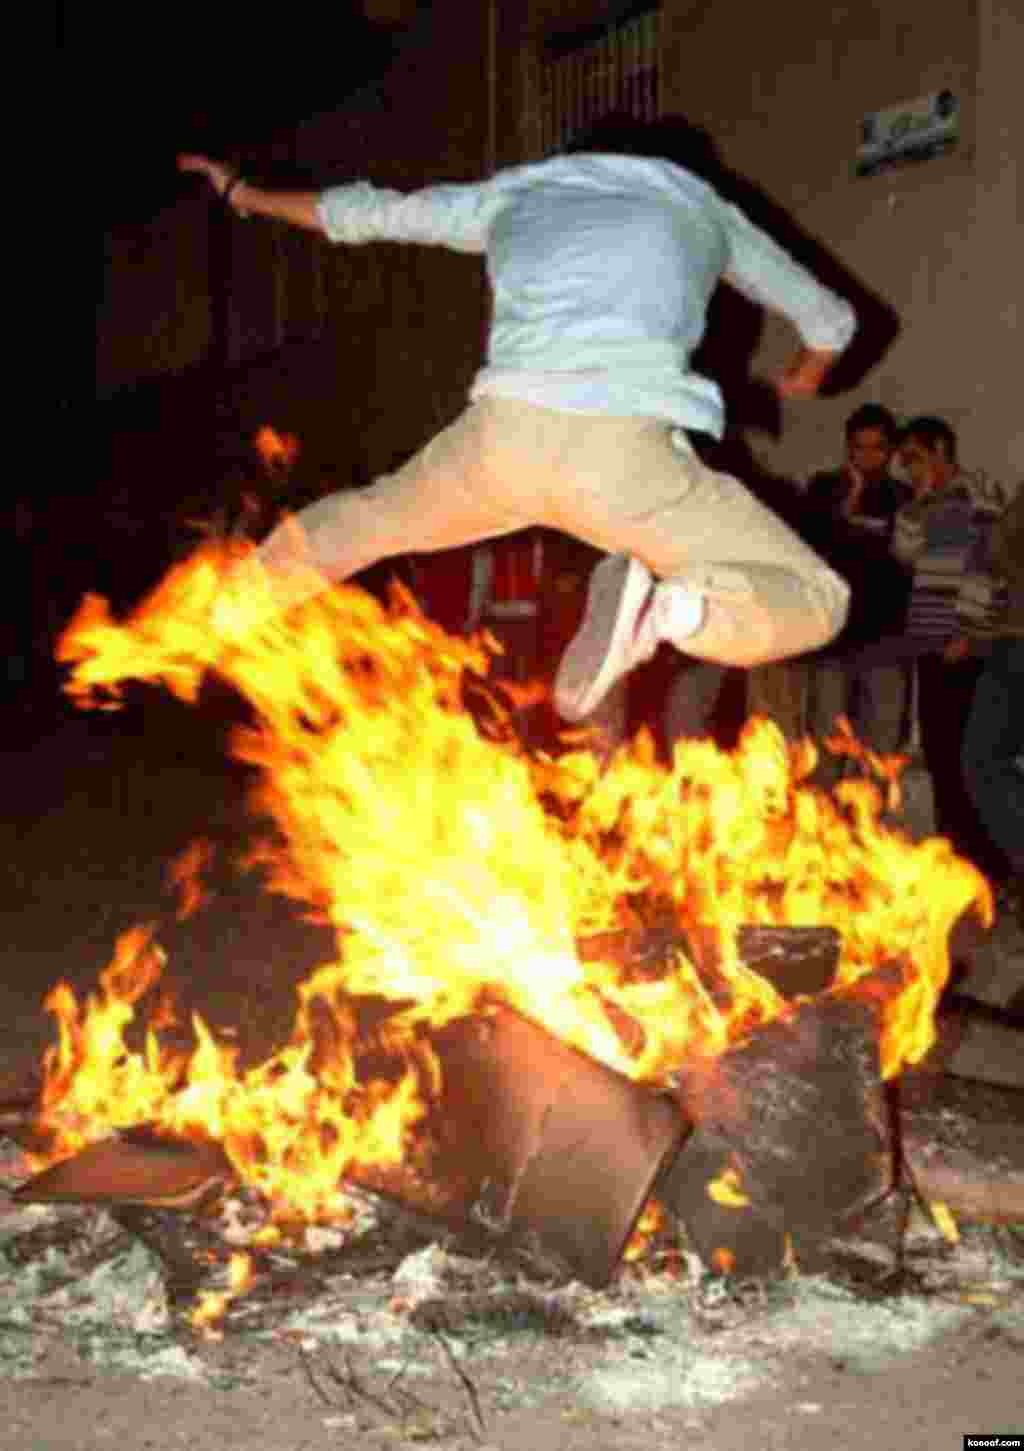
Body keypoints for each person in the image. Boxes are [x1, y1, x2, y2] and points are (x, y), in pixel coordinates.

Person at [178, 118, 854, 721]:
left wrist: (244, 193)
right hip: (624, 457)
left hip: (501, 441)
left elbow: (368, 214)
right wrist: (804, 374)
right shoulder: (702, 207)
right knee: (819, 597)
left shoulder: (521, 192)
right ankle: (681, 611)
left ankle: (224, 609)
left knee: (368, 518)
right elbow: (833, 320)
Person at [853, 417, 1003, 869]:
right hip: (930, 645)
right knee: (939, 754)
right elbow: (904, 554)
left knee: (970, 757)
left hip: (965, 646)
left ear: (941, 450)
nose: (909, 469)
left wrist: (968, 631)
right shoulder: (920, 506)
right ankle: (955, 855)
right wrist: (917, 506)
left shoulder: (978, 497)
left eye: (915, 459)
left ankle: (987, 860)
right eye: (905, 462)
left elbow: (989, 567)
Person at [803, 403, 912, 778]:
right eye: (859, 447)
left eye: (876, 448)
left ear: (890, 451)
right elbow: (811, 547)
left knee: (880, 750)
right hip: (834, 637)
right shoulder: (823, 488)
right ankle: (818, 829)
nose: (867, 456)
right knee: (825, 747)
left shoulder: (903, 496)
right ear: (848, 448)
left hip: (886, 637)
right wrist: (848, 503)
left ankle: (872, 831)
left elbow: (908, 559)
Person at [959, 483, 1024, 924]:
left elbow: (1002, 554)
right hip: (1010, 642)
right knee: (983, 761)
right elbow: (1000, 557)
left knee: (983, 760)